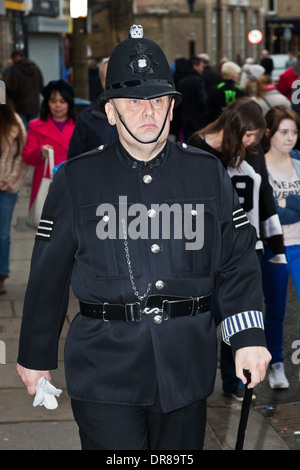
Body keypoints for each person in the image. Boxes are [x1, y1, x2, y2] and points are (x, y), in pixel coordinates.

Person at [17, 25, 271, 451]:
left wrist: (248, 338)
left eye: (158, 100)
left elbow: (237, 262)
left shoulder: (206, 174)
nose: (147, 112)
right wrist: (35, 357)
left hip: (186, 366)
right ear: (111, 112)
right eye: (133, 102)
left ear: (172, 109)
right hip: (104, 367)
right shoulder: (77, 180)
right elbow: (49, 273)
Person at [188, 97, 286, 400]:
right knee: (203, 317)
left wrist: (276, 245)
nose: (252, 143)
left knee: (240, 317)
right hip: (203, 249)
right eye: (248, 135)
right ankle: (194, 381)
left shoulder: (251, 152)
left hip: (244, 246)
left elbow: (264, 195)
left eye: (257, 137)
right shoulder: (198, 147)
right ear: (234, 127)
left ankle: (234, 383)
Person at [261, 105, 300, 389]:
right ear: (269, 133)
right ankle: (276, 364)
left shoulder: (299, 161)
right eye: (283, 132)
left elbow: (282, 208)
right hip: (274, 247)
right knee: (276, 310)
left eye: (295, 132)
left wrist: (286, 205)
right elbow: (271, 211)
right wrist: (289, 207)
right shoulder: (258, 166)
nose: (290, 138)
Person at [22, 79, 76, 210]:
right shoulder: (35, 126)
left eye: (62, 102)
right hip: (46, 182)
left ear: (69, 104)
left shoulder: (79, 125)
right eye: (53, 101)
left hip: (73, 181)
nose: (58, 105)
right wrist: (40, 151)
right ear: (47, 103)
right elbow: (27, 156)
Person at [0, 96, 27, 295]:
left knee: (3, 234)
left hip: (5, 188)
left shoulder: (14, 123)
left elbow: (22, 157)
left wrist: (9, 180)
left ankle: (1, 275)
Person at [68, 58, 118, 158]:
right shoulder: (87, 118)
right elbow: (75, 159)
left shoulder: (141, 112)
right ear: (101, 81)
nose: (111, 83)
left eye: (115, 77)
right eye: (106, 78)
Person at [6, 50, 44, 130]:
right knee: (34, 129)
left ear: (15, 58)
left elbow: (13, 89)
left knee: (23, 129)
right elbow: (41, 86)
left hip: (21, 106)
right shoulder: (35, 68)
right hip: (34, 105)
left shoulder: (15, 70)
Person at [203, 61, 244, 125]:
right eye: (237, 74)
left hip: (217, 122)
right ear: (233, 75)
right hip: (234, 123)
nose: (238, 77)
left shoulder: (216, 88)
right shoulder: (239, 89)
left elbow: (209, 109)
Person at [176, 55, 207, 141]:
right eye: (201, 66)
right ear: (195, 66)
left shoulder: (182, 81)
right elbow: (203, 100)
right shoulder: (198, 81)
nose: (203, 69)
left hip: (185, 118)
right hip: (197, 119)